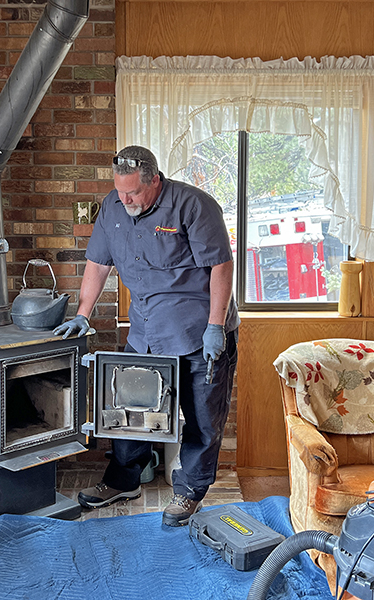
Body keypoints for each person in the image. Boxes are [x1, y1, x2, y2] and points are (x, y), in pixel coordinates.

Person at [54, 145, 239, 527]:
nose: (125, 200)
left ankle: (189, 493)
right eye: (120, 192)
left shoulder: (193, 205)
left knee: (203, 420)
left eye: (133, 193)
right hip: (145, 330)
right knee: (129, 410)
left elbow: (221, 265)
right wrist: (83, 315)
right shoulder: (113, 206)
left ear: (155, 180)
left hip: (197, 331)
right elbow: (97, 263)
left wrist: (216, 326)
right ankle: (123, 481)